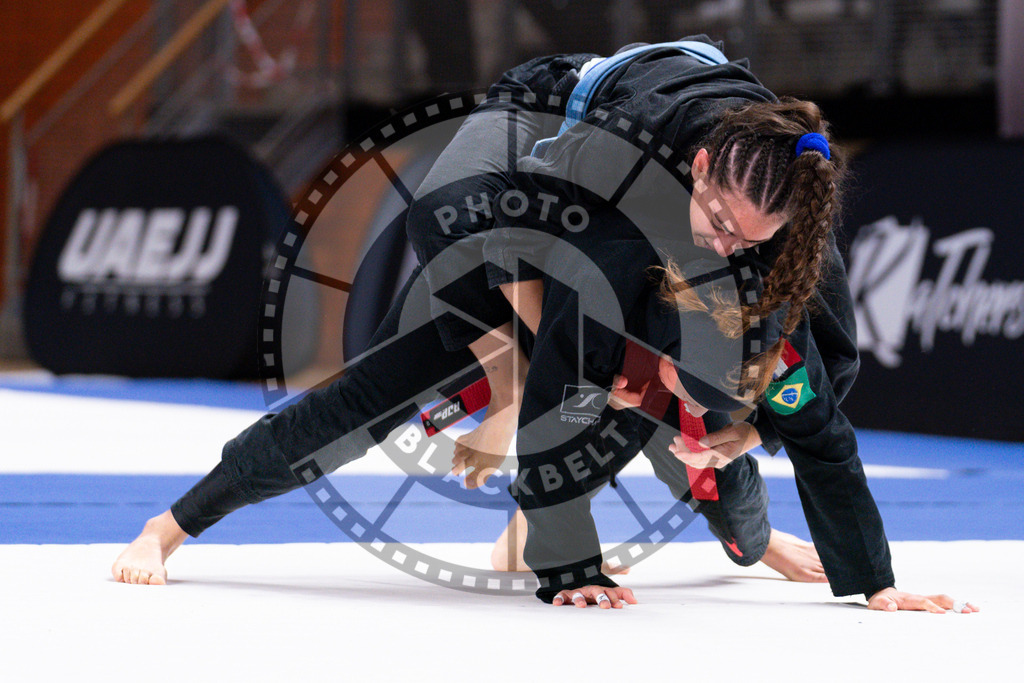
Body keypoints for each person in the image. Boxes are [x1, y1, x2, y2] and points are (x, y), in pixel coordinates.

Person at [113, 37, 977, 615]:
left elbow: (823, 430)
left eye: (744, 239)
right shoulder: (616, 183)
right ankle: (174, 521)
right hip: (538, 139)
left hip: (665, 252)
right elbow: (547, 353)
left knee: (711, 443)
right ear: (702, 170)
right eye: (716, 223)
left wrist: (874, 582)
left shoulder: (788, 241)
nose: (726, 241)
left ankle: (751, 532)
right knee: (416, 330)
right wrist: (570, 562)